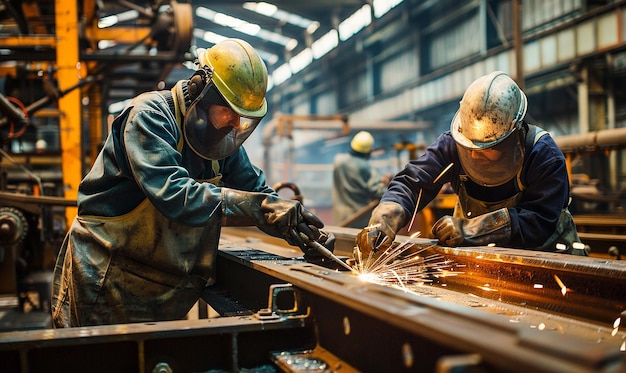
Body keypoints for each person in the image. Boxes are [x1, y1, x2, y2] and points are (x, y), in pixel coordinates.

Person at [51, 39, 334, 327]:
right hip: (107, 281)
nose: (237, 123)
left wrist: (298, 229)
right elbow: (175, 195)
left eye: (244, 117)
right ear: (201, 90)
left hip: (164, 288)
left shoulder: (220, 140)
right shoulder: (149, 116)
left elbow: (256, 192)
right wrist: (264, 208)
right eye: (230, 111)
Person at [356, 71, 584, 256]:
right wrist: (387, 213)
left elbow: (540, 221)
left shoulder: (542, 154)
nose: (474, 156)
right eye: (469, 148)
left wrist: (472, 229)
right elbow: (413, 181)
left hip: (548, 255)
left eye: (487, 149)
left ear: (515, 133)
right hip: (486, 257)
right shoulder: (452, 145)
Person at [332, 131, 389, 227]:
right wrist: (385, 185)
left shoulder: (338, 160)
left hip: (340, 217)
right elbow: (378, 191)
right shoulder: (365, 166)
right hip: (359, 218)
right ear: (369, 149)